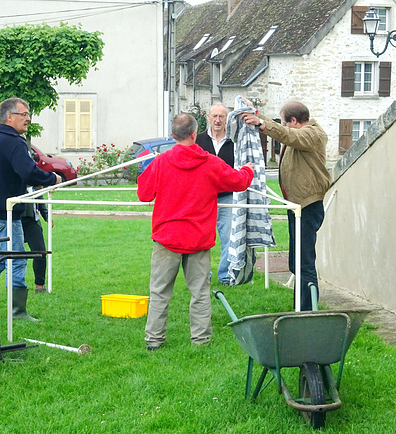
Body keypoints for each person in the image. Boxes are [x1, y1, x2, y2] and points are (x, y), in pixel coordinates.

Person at [137, 113, 254, 351]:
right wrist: (248, 170)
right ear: (195, 134)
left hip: (166, 238)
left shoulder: (161, 162)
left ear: (172, 136)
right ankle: (200, 340)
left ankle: (154, 341)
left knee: (159, 293)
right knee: (200, 293)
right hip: (198, 239)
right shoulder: (211, 163)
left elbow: (143, 194)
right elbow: (239, 181)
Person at [0, 97, 61, 321]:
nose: (28, 118)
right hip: (4, 211)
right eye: (24, 114)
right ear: (9, 117)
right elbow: (29, 172)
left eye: (28, 114)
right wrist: (52, 178)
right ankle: (18, 312)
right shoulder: (13, 142)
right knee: (17, 257)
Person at [242, 101, 331, 311]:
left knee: (304, 262)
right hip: (296, 207)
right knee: (295, 261)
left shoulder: (313, 134)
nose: (283, 126)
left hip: (308, 207)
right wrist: (255, 113)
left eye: (284, 122)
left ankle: (308, 311)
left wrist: (262, 123)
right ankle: (300, 306)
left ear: (294, 121)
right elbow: (285, 133)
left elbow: (289, 136)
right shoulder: (299, 132)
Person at [195, 103, 235, 285]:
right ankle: (204, 276)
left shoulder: (234, 141)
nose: (218, 120)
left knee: (228, 237)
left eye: (222, 116)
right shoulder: (198, 141)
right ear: (208, 118)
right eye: (214, 116)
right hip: (203, 199)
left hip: (227, 197)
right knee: (202, 239)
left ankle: (225, 276)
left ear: (227, 119)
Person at [21, 190, 51, 294]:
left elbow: (38, 195)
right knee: (11, 254)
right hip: (14, 219)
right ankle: (16, 288)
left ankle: (40, 286)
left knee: (40, 252)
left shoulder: (34, 181)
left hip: (32, 220)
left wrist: (46, 215)